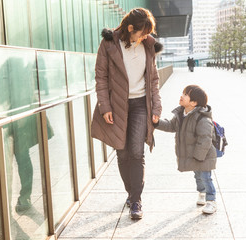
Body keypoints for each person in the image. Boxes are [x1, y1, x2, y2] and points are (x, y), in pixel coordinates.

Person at [91, 8, 163, 219]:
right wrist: (105, 107)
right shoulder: (109, 43)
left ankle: (136, 201)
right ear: (130, 28)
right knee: (122, 153)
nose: (144, 37)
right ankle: (131, 194)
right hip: (117, 106)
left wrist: (156, 107)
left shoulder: (148, 45)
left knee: (136, 152)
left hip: (141, 104)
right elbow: (101, 77)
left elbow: (154, 79)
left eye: (147, 33)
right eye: (141, 33)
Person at [153, 85, 217, 214]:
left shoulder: (202, 118)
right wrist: (156, 123)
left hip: (204, 155)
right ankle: (202, 192)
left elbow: (205, 139)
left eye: (185, 95)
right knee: (198, 176)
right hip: (194, 154)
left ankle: (211, 200)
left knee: (206, 177)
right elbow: (171, 126)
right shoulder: (181, 114)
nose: (181, 96)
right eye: (182, 93)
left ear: (193, 103)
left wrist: (199, 157)